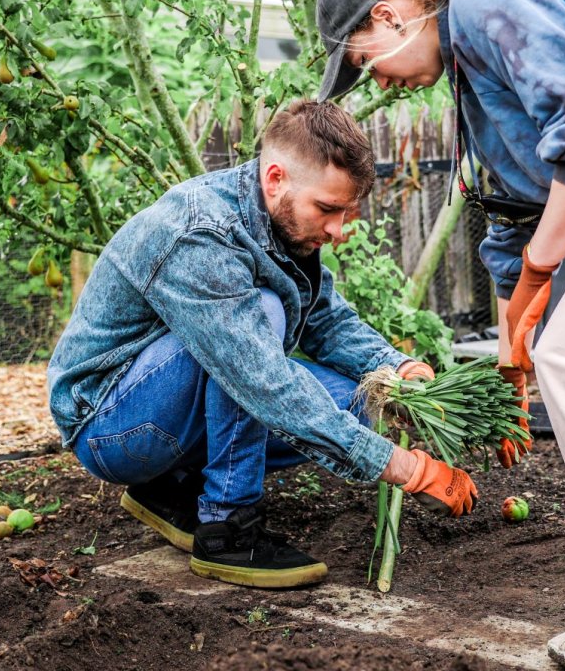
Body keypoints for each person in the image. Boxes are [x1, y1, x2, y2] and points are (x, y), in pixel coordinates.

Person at [48, 100, 477, 590]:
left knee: (365, 406)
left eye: (346, 212)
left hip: (164, 408)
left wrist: (400, 373)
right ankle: (227, 527)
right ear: (276, 178)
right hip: (110, 426)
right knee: (264, 316)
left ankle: (168, 489)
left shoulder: (279, 221)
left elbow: (326, 320)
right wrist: (402, 467)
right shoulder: (199, 233)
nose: (338, 230)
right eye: (328, 209)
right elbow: (263, 380)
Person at [316, 0, 565, 661]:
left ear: (389, 15)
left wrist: (537, 280)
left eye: (365, 62)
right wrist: (511, 356)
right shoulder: (463, 52)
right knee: (551, 361)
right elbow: (512, 207)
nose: (378, 85)